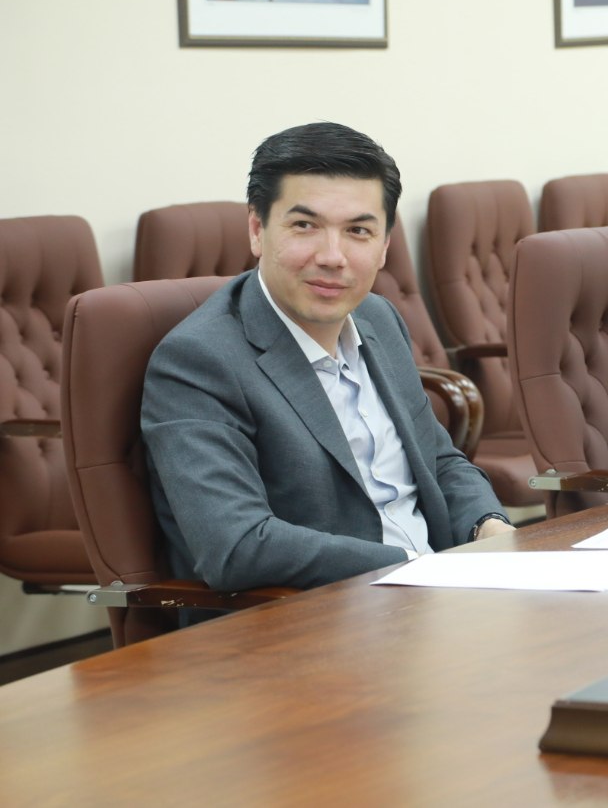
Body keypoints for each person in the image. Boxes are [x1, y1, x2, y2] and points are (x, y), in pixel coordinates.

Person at [142, 121, 512, 593]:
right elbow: (238, 546)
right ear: (257, 230)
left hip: (441, 594)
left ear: (384, 246)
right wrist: (417, 565)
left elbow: (438, 460)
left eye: (358, 230)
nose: (333, 256)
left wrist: (489, 527)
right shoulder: (199, 361)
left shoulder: (378, 317)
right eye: (305, 226)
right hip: (318, 614)